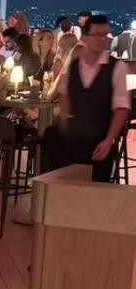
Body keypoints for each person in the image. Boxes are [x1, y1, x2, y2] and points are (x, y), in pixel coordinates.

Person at [42, 14, 130, 183]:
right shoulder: (74, 65)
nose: (101, 39)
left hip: (100, 135)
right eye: (96, 34)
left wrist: (109, 140)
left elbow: (121, 108)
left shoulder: (117, 67)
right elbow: (63, 94)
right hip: (74, 133)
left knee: (95, 189)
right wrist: (65, 122)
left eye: (104, 35)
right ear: (85, 38)